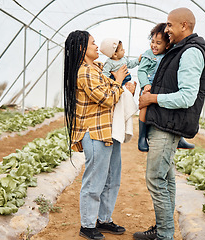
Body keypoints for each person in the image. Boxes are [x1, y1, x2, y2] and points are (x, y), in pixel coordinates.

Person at [133, 7, 205, 240]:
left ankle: (165, 234)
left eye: (169, 25)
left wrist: (152, 98)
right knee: (165, 179)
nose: (166, 29)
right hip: (164, 122)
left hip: (168, 126)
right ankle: (163, 228)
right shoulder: (178, 51)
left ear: (184, 25)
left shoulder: (190, 53)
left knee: (155, 178)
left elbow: (187, 96)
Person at [63, 30, 131, 240]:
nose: (96, 46)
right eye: (92, 43)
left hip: (109, 130)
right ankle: (87, 225)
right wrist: (119, 81)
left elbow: (111, 92)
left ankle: (103, 219)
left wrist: (122, 85)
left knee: (111, 177)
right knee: (95, 180)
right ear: (82, 48)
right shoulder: (84, 72)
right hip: (94, 132)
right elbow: (107, 98)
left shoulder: (97, 69)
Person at [137, 23, 195, 152]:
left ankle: (179, 138)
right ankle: (141, 137)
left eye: (158, 43)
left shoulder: (170, 54)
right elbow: (141, 71)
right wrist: (145, 84)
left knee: (173, 106)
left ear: (167, 45)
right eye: (152, 42)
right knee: (144, 107)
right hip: (149, 86)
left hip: (162, 87)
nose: (154, 45)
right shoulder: (148, 55)